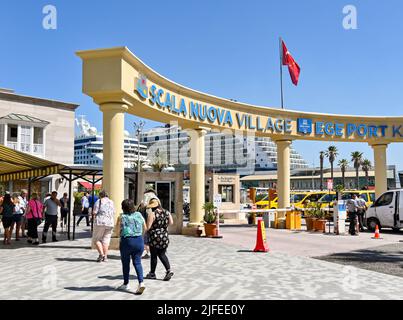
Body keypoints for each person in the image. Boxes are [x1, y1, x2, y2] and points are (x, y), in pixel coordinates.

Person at [116, 199, 146, 295]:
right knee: (137, 262)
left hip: (127, 241)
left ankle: (126, 283)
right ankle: (141, 282)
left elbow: (117, 231)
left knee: (125, 263)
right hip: (139, 240)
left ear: (123, 207)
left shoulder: (121, 217)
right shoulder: (139, 215)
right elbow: (145, 228)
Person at [145, 199, 174, 281]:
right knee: (162, 254)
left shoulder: (152, 214)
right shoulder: (167, 212)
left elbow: (148, 227)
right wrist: (163, 226)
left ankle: (152, 273)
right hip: (164, 236)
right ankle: (168, 270)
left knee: (154, 255)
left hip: (154, 237)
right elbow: (171, 222)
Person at [137, 189, 160, 259]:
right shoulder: (147, 199)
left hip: (150, 221)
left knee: (146, 236)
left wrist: (146, 206)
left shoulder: (151, 198)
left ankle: (148, 252)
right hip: (147, 221)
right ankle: (148, 252)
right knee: (146, 236)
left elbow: (155, 203)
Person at [92, 190, 115, 262]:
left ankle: (101, 255)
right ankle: (105, 257)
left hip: (100, 222)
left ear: (100, 195)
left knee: (96, 239)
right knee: (106, 240)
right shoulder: (111, 202)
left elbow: (94, 212)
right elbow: (114, 212)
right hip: (110, 222)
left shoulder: (99, 201)